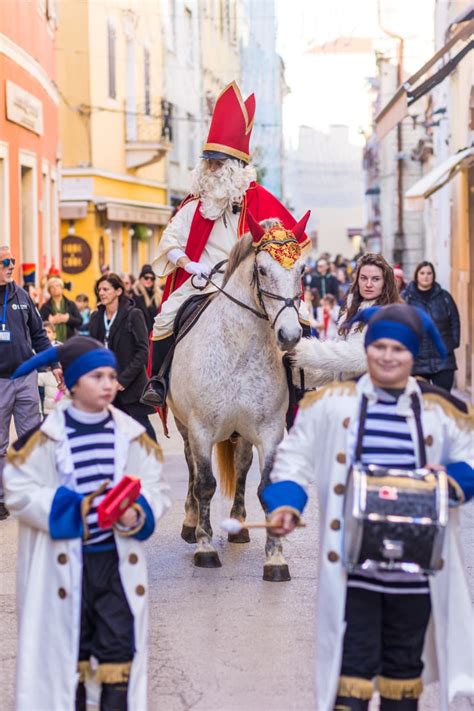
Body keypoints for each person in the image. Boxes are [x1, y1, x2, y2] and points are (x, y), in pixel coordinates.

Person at [264, 304, 474, 711]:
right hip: (354, 571)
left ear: (412, 356)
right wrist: (287, 503)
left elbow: (470, 461)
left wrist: (444, 481)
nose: (387, 356)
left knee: (402, 674)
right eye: (378, 346)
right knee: (352, 674)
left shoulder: (441, 410)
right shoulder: (329, 404)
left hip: (415, 575)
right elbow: (293, 458)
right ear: (366, 349)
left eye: (398, 349)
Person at [4, 336, 171, 711]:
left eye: (112, 375)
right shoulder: (40, 440)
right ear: (74, 382)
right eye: (98, 376)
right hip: (65, 566)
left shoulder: (133, 436)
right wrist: (73, 510)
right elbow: (16, 486)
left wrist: (138, 511)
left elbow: (156, 486)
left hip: (113, 564)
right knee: (69, 656)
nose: (109, 384)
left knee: (118, 654)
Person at [143, 81, 311, 406]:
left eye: (219, 163)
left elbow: (287, 242)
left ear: (235, 168)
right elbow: (170, 242)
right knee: (164, 316)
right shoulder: (195, 203)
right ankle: (159, 382)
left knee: (299, 316)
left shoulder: (259, 200)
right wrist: (187, 263)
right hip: (203, 282)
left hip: (253, 285)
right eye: (209, 161)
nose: (211, 168)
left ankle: (300, 382)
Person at [0, 245, 62, 520]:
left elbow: (39, 335)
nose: (11, 265)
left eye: (12, 260)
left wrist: (55, 365)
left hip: (26, 377)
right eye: (5, 261)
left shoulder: (22, 296)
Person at [294, 253, 401, 387]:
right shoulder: (352, 309)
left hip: (373, 394)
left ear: (385, 282)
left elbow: (357, 356)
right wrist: (299, 375)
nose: (368, 284)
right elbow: (339, 369)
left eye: (375, 279)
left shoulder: (386, 313)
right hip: (349, 392)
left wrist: (303, 350)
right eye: (363, 278)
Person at [89, 273, 157, 441]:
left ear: (118, 291)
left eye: (106, 289)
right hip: (106, 384)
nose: (102, 293)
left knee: (141, 427)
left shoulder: (134, 314)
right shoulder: (96, 317)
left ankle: (152, 461)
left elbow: (143, 351)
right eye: (99, 290)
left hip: (130, 384)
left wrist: (123, 380)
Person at [403, 261, 460, 392]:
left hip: (443, 360)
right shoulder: (406, 298)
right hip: (417, 360)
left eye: (429, 273)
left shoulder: (445, 297)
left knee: (444, 400)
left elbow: (455, 321)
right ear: (416, 275)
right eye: (422, 273)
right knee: (419, 401)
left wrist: (453, 343)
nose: (426, 276)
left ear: (433, 275)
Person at [40, 277, 83, 342]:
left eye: (57, 286)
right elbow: (39, 323)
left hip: (69, 341)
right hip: (51, 342)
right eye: (52, 287)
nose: (55, 288)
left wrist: (68, 319)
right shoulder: (45, 306)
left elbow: (80, 321)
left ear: (62, 288)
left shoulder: (70, 304)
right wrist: (49, 322)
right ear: (49, 290)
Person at [38, 322, 63, 417]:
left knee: (52, 402)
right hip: (40, 379)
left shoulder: (60, 347)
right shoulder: (36, 348)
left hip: (53, 381)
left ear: (54, 334)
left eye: (48, 332)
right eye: (44, 333)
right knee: (40, 401)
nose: (46, 335)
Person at [132, 264, 162, 332]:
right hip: (141, 333)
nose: (149, 280)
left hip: (155, 333)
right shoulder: (136, 295)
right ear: (141, 278)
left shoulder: (157, 296)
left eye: (152, 278)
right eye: (146, 277)